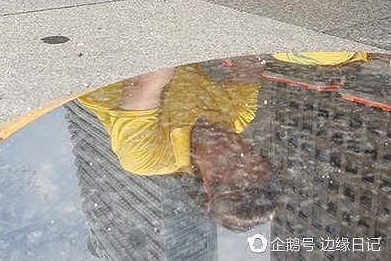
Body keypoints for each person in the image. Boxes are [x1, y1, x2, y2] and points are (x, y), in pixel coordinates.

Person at [78, 61, 278, 231]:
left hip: (89, 63)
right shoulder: (238, 114)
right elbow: (250, 65)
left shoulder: (148, 158)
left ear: (208, 182)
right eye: (253, 152)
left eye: (233, 162)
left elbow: (147, 80)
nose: (237, 145)